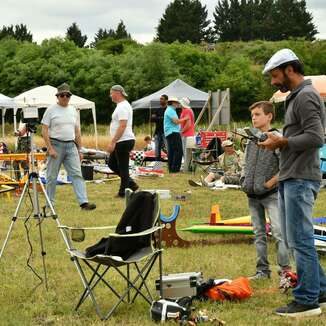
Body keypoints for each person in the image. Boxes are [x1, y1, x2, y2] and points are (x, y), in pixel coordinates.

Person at [261, 48, 326, 317]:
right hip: (292, 176)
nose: (274, 82)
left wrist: (283, 141)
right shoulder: (297, 97)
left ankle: (307, 300)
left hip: (300, 178)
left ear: (289, 70)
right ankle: (320, 289)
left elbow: (316, 137)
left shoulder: (307, 97)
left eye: (276, 76)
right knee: (294, 238)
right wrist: (279, 141)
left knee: (300, 240)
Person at [240, 101, 290, 283]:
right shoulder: (252, 140)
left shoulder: (277, 138)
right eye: (252, 115)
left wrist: (269, 184)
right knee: (258, 234)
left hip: (271, 195)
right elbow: (246, 163)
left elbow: (286, 167)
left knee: (278, 232)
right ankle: (262, 270)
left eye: (258, 114)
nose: (254, 117)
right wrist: (243, 180)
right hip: (252, 195)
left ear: (269, 116)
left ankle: (285, 271)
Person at [41, 83, 96, 210]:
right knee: (51, 176)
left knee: (77, 174)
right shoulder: (51, 110)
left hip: (71, 145)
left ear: (70, 96)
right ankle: (50, 204)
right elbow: (44, 130)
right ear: (58, 96)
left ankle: (84, 203)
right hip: (55, 145)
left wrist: (80, 149)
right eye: (62, 95)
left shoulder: (73, 110)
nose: (65, 97)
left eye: (67, 95)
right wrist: (50, 148)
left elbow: (77, 131)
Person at [107, 85, 139, 198]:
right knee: (111, 163)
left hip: (123, 140)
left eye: (111, 93)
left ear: (118, 93)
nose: (110, 95)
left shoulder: (123, 107)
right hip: (122, 140)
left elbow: (123, 125)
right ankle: (131, 183)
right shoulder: (121, 106)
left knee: (123, 167)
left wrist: (113, 141)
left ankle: (123, 192)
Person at [163, 97, 187, 173]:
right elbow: (176, 121)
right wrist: (185, 119)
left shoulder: (170, 110)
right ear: (173, 103)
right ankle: (175, 169)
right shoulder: (170, 110)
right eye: (177, 103)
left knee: (172, 151)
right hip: (173, 132)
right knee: (178, 151)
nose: (178, 104)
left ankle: (172, 169)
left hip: (170, 132)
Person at [180, 97, 195, 171]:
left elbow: (188, 124)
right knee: (188, 152)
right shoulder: (188, 110)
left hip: (187, 134)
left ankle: (186, 169)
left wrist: (182, 131)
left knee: (186, 152)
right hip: (189, 134)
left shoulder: (186, 111)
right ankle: (188, 168)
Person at [151, 94, 168, 160]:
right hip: (157, 132)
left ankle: (170, 166)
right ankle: (158, 167)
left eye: (162, 99)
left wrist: (157, 118)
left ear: (166, 100)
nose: (160, 100)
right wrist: (162, 118)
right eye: (160, 99)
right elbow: (152, 119)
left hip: (166, 132)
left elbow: (166, 120)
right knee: (157, 151)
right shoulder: (157, 110)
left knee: (168, 149)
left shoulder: (169, 110)